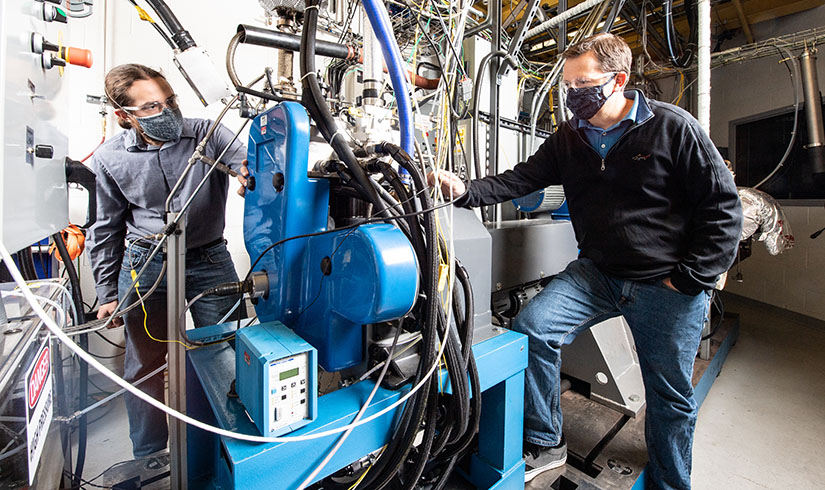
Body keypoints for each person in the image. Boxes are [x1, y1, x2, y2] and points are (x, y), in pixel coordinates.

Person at [430, 34, 742, 489]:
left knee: (669, 397)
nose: (572, 93)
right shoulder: (570, 138)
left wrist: (690, 278)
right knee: (534, 327)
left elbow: (722, 208)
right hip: (597, 273)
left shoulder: (672, 127)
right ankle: (546, 439)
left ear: (618, 80)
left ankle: (671, 482)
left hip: (664, 284)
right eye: (567, 83)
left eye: (583, 83)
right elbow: (522, 179)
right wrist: (465, 190)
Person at [88, 64, 249, 459]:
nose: (168, 111)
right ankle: (148, 453)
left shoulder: (208, 134)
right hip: (145, 263)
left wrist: (252, 173)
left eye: (171, 100)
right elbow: (105, 228)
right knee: (144, 364)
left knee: (228, 351)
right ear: (123, 115)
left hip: (209, 257)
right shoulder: (110, 158)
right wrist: (108, 291)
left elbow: (251, 161)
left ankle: (229, 447)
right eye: (152, 107)